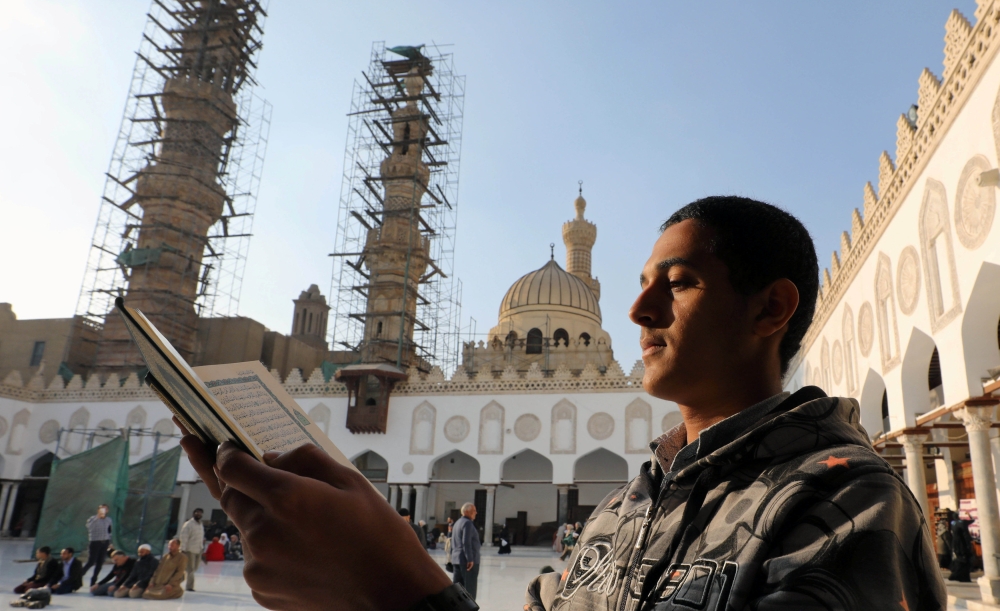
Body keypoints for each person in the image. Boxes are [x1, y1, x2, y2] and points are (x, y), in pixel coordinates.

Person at [177, 196, 946, 610]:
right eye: (641, 283)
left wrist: (398, 588)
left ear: (770, 309)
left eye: (675, 284)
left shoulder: (845, 502)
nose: (640, 309)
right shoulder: (621, 514)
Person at [450, 503, 481, 601]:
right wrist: (470, 559)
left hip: (457, 560)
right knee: (469, 591)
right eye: (474, 511)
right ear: (466, 512)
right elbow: (466, 542)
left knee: (458, 591)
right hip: (467, 562)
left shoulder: (457, 523)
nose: (476, 513)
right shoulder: (467, 523)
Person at [80, 504, 113, 587]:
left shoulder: (108, 520)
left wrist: (110, 542)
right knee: (91, 561)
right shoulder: (92, 519)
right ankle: (78, 575)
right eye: (102, 509)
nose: (103, 511)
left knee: (100, 562)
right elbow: (89, 527)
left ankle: (93, 581)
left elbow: (109, 531)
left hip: (104, 542)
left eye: (105, 509)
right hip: (95, 542)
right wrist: (98, 517)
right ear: (98, 510)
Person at [177, 507, 205, 592]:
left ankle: (177, 580)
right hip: (189, 550)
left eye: (200, 513)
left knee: (194, 568)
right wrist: (183, 549)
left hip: (198, 549)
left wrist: (202, 548)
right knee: (190, 569)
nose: (198, 514)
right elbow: (184, 537)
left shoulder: (200, 524)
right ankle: (189, 586)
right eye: (196, 513)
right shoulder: (188, 524)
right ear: (193, 514)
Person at [949, 510, 975, 582]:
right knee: (965, 560)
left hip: (955, 544)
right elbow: (972, 520)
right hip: (963, 544)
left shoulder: (953, 524)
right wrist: (969, 514)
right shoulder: (962, 522)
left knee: (959, 560)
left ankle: (956, 575)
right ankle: (963, 577)